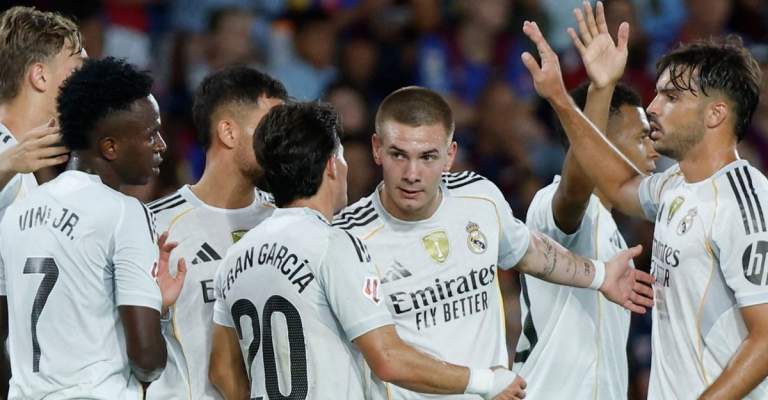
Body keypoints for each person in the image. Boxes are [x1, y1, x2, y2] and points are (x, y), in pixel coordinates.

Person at [335, 85, 654, 399]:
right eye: (398, 155)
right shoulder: (349, 239)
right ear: (377, 148)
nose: (412, 173)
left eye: (428, 157)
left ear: (450, 156)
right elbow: (387, 358)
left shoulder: (479, 198)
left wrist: (600, 275)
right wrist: (484, 382)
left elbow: (530, 252)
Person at [520, 5, 768, 398]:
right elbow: (618, 183)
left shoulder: (745, 203)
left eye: (671, 96)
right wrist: (578, 95)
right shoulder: (675, 186)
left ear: (715, 114)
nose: (653, 107)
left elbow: (765, 340)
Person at [211, 102, 527, 400]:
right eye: (343, 156)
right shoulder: (333, 243)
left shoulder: (234, 259)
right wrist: (487, 381)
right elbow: (387, 358)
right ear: (332, 166)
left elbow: (222, 371)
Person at [0, 57, 185, 399]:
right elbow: (147, 360)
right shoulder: (124, 212)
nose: (161, 145)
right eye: (151, 134)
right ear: (110, 147)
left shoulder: (15, 213)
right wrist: (156, 310)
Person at [514, 3, 659, 398]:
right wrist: (601, 88)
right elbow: (577, 186)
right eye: (641, 137)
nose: (653, 150)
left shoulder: (612, 226)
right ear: (602, 141)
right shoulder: (552, 203)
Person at [146, 66, 287, 400]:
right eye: (272, 127)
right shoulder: (156, 224)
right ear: (228, 132)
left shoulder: (285, 222)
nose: (283, 142)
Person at [0, 6, 87, 218]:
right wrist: (7, 165)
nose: (89, 85)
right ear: (40, 77)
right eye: (77, 71)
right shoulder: (11, 159)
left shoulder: (25, 172)